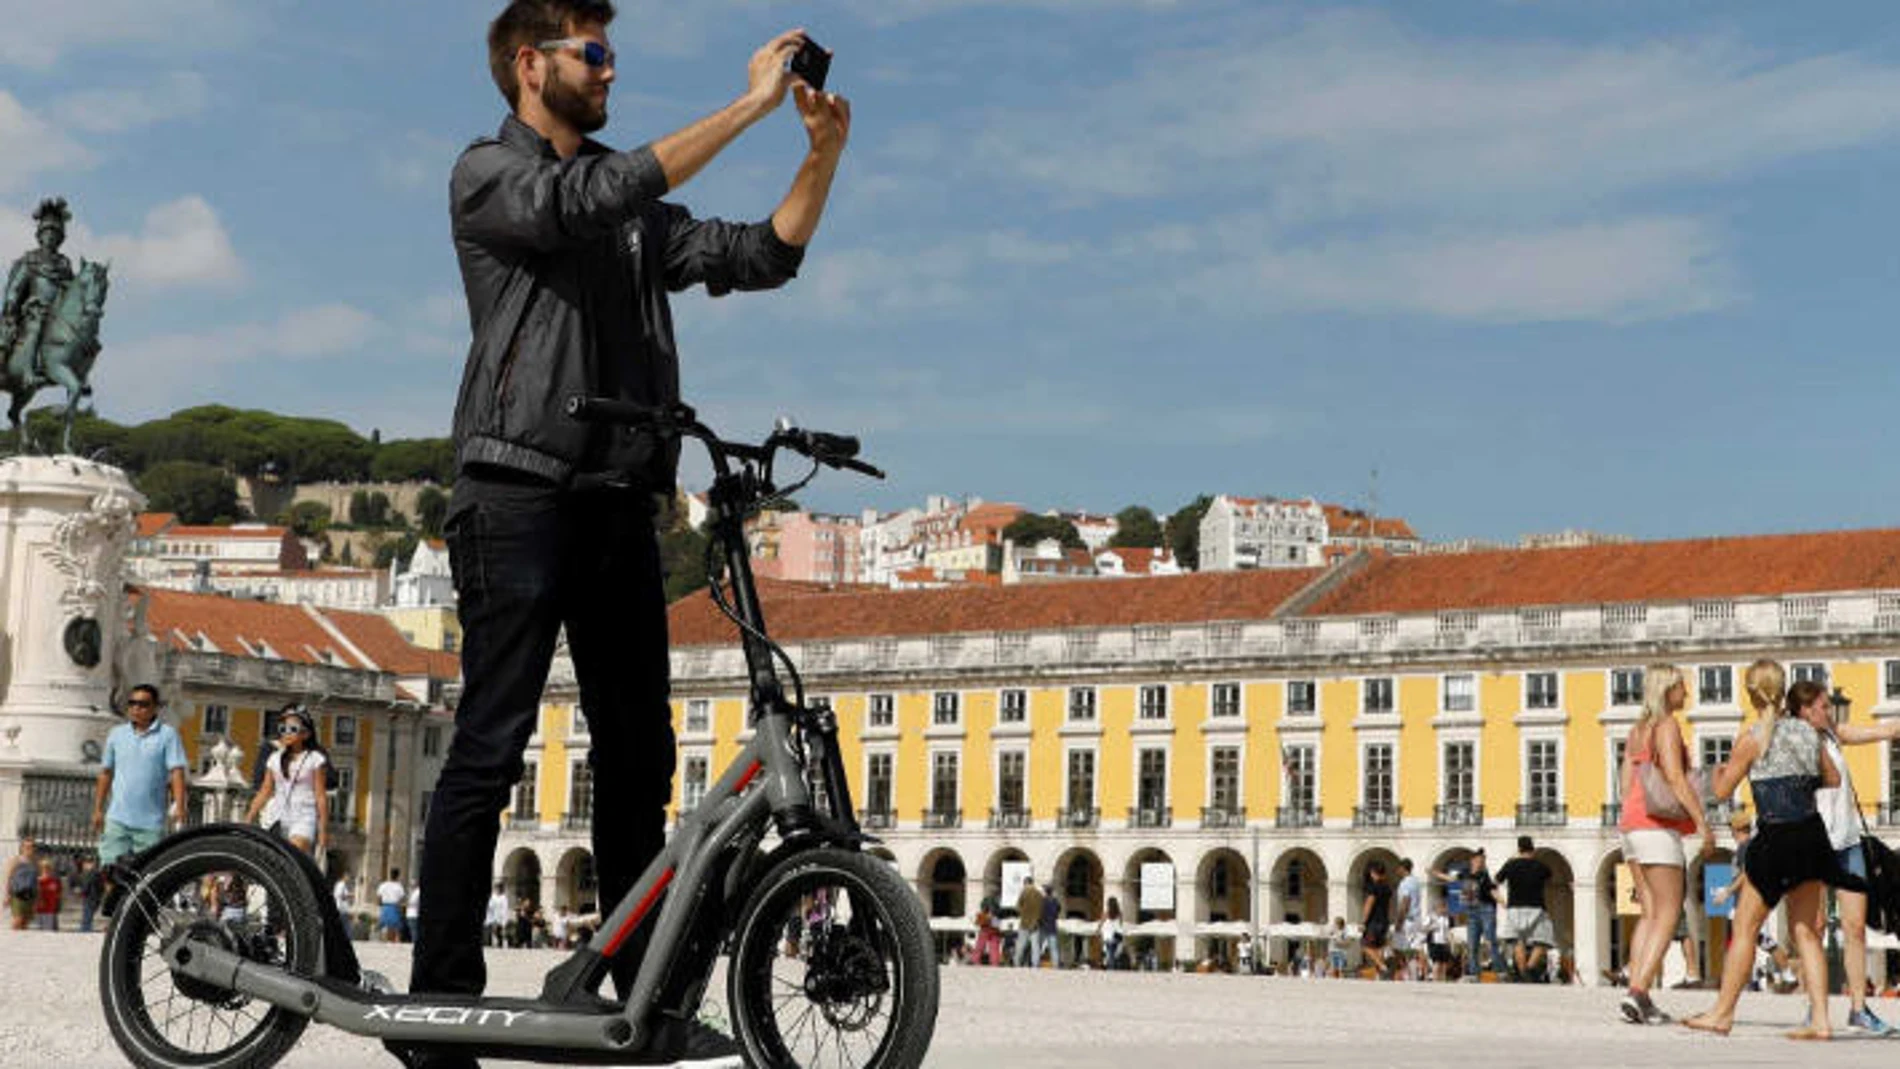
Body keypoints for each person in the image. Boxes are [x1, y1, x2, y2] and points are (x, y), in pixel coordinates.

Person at [413, 7, 849, 1062]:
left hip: (617, 499)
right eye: (593, 54)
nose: (612, 70)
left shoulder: (633, 210)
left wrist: (819, 156)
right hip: (514, 489)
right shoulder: (490, 172)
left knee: (640, 754)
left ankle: (638, 990)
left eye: (611, 53)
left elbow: (759, 255)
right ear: (531, 65)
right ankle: (438, 1005)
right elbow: (590, 197)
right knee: (491, 742)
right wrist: (748, 104)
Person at [1684, 671, 1853, 1040]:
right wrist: (1801, 778)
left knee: (1745, 928)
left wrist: (1717, 774)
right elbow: (1833, 779)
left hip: (1775, 835)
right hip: (1809, 833)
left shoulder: (1752, 738)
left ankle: (1722, 1014)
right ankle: (1821, 1020)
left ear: (1752, 695)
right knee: (1807, 932)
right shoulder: (1808, 733)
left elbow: (1724, 789)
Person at [1795, 676, 1900, 1035]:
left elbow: (1872, 731)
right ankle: (1815, 1007)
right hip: (1812, 843)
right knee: (1815, 927)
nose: (1830, 712)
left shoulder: (1832, 735)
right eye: (1824, 706)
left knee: (1855, 927)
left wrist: (1892, 730)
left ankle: (1859, 1008)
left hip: (1848, 841)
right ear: (1806, 711)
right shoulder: (1794, 744)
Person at [1617, 664, 1715, 1024]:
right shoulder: (1667, 726)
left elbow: (1626, 782)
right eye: (1680, 687)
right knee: (1670, 911)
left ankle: (1635, 985)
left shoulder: (1637, 730)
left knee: (1649, 912)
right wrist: (1702, 823)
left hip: (1630, 825)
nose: (1686, 693)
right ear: (1666, 690)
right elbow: (1674, 777)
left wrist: (1630, 820)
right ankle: (1639, 991)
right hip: (1656, 827)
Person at [92, 685, 188, 866]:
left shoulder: (168, 735)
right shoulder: (116, 734)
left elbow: (177, 772)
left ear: (155, 707)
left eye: (143, 704)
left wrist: (180, 806)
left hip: (150, 824)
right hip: (117, 819)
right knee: (110, 872)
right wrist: (98, 809)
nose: (136, 708)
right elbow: (106, 773)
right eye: (132, 703)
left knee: (146, 876)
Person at [0, 197, 75, 378]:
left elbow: (72, 292)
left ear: (60, 238)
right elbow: (15, 289)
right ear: (40, 235)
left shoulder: (64, 264)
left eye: (55, 234)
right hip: (33, 310)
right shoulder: (30, 260)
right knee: (32, 327)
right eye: (47, 232)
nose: (51, 236)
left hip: (57, 315)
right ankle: (14, 367)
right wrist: (13, 306)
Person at [242, 705, 331, 856]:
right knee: (272, 859)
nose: (287, 733)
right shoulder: (274, 759)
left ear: (305, 734)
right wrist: (249, 816)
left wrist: (323, 830)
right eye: (283, 729)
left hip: (304, 815)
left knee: (294, 854)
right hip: (276, 815)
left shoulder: (315, 759)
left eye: (293, 729)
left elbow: (320, 796)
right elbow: (265, 790)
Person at [1495, 836, 1555, 982]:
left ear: (1519, 849)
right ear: (1532, 849)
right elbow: (1550, 876)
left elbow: (1496, 880)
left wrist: (1502, 899)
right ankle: (1529, 967)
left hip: (1514, 907)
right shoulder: (1540, 866)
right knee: (1543, 940)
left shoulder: (1511, 865)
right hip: (1537, 907)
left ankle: (1522, 972)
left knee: (1517, 941)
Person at [1360, 861, 1394, 978]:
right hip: (1384, 921)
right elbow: (1390, 906)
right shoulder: (1387, 888)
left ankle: (1383, 966)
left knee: (1365, 945)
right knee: (1379, 947)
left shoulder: (1373, 887)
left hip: (1373, 922)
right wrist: (1388, 920)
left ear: (1373, 873)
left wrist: (1363, 922)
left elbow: (1369, 905)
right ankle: (1380, 973)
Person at [1393, 859, 1426, 980]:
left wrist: (1399, 921)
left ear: (1403, 868)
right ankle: (1414, 973)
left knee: (1398, 948)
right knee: (1413, 948)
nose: (1396, 871)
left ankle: (1405, 973)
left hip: (1407, 920)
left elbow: (1405, 902)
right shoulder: (1416, 881)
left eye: (1398, 868)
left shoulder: (1405, 883)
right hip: (1417, 918)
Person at [6, 836, 38, 930]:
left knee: (25, 922)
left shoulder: (34, 862)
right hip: (17, 894)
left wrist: (37, 897)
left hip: (30, 894)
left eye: (32, 846)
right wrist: (7, 894)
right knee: (17, 920)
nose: (29, 849)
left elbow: (36, 880)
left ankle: (21, 943)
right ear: (22, 848)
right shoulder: (16, 860)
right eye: (27, 846)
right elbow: (9, 878)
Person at [1014, 878, 1043, 967]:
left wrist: (1023, 913)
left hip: (1024, 922)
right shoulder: (1039, 894)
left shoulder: (1024, 892)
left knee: (1021, 944)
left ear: (1025, 883)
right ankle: (1036, 964)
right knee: (1035, 946)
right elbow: (1042, 909)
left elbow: (1017, 907)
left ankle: (1017, 963)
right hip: (1036, 923)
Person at [72, 855, 103, 933]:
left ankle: (85, 931)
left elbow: (86, 886)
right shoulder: (96, 873)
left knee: (87, 917)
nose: (84, 865)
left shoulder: (91, 873)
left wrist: (79, 891)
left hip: (90, 898)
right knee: (88, 917)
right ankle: (85, 929)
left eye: (85, 863)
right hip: (95, 898)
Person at [1424, 900, 1454, 983]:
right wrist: (1432, 927)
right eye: (1442, 907)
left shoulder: (1447, 918)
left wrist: (1450, 941)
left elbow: (1449, 930)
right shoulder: (1431, 917)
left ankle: (1443, 980)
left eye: (1445, 908)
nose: (1444, 910)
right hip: (1434, 942)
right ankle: (1435, 980)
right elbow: (1424, 928)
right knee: (1437, 962)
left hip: (1445, 943)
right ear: (1437, 908)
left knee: (1444, 963)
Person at [972, 893, 1004, 966]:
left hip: (985, 927)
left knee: (980, 944)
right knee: (994, 945)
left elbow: (982, 909)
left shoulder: (985, 901)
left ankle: (976, 959)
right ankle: (995, 961)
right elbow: (999, 913)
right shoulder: (996, 902)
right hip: (994, 927)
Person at [377, 869, 407, 943]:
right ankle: (397, 941)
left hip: (385, 906)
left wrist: (381, 905)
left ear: (389, 875)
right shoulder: (399, 886)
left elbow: (379, 897)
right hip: (394, 906)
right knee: (396, 926)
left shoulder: (383, 885)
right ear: (398, 876)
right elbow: (402, 898)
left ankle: (385, 940)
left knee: (385, 925)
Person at [1036, 883, 1061, 968]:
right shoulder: (1055, 901)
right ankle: (1056, 965)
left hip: (1043, 926)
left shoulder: (1042, 901)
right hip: (1052, 926)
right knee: (1054, 948)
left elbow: (1039, 913)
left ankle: (1035, 964)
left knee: (1038, 946)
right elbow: (1058, 912)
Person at [32, 859, 61, 930]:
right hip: (40, 910)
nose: (45, 869)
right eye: (43, 867)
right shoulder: (37, 881)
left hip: (51, 911)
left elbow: (59, 895)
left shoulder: (56, 880)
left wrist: (58, 907)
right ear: (40, 868)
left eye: (48, 867)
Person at [1099, 896, 1126, 971]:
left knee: (1109, 952)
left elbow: (1101, 923)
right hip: (1117, 935)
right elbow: (1120, 924)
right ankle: (1112, 967)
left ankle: (1111, 968)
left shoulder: (1106, 913)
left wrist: (1098, 930)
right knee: (1113, 953)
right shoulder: (1119, 913)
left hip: (1108, 936)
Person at [485, 882, 511, 949]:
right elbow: (490, 907)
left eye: (498, 888)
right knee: (493, 931)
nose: (497, 890)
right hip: (493, 917)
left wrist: (504, 920)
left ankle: (499, 944)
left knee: (499, 932)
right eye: (496, 888)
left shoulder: (504, 898)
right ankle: (491, 943)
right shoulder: (492, 897)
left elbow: (505, 909)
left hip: (500, 917)